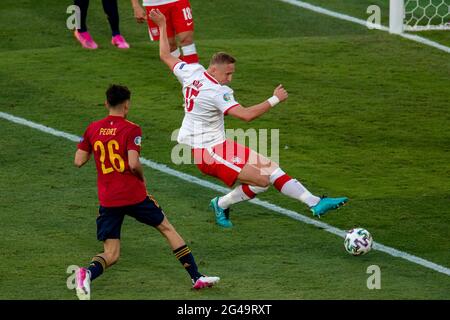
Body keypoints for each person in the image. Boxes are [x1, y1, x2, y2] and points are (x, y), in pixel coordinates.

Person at [149, 9, 349, 228]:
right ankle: (221, 204)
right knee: (262, 181)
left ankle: (315, 202)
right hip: (207, 152)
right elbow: (246, 116)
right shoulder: (217, 91)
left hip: (219, 144)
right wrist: (275, 99)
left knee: (270, 168)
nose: (230, 78)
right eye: (228, 74)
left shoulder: (192, 71)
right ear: (214, 70)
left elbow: (165, 56)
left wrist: (161, 26)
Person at [73, 84, 219, 300]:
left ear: (106, 103)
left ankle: (86, 274)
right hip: (133, 195)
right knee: (167, 228)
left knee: (111, 254)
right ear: (127, 105)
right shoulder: (131, 129)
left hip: (108, 199)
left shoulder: (93, 128)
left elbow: (78, 161)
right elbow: (133, 163)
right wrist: (141, 176)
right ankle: (196, 276)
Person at [131, 0, 198, 63]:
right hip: (153, 5)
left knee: (187, 39)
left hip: (178, 2)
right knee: (169, 46)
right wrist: (135, 5)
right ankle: (183, 73)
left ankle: (193, 70)